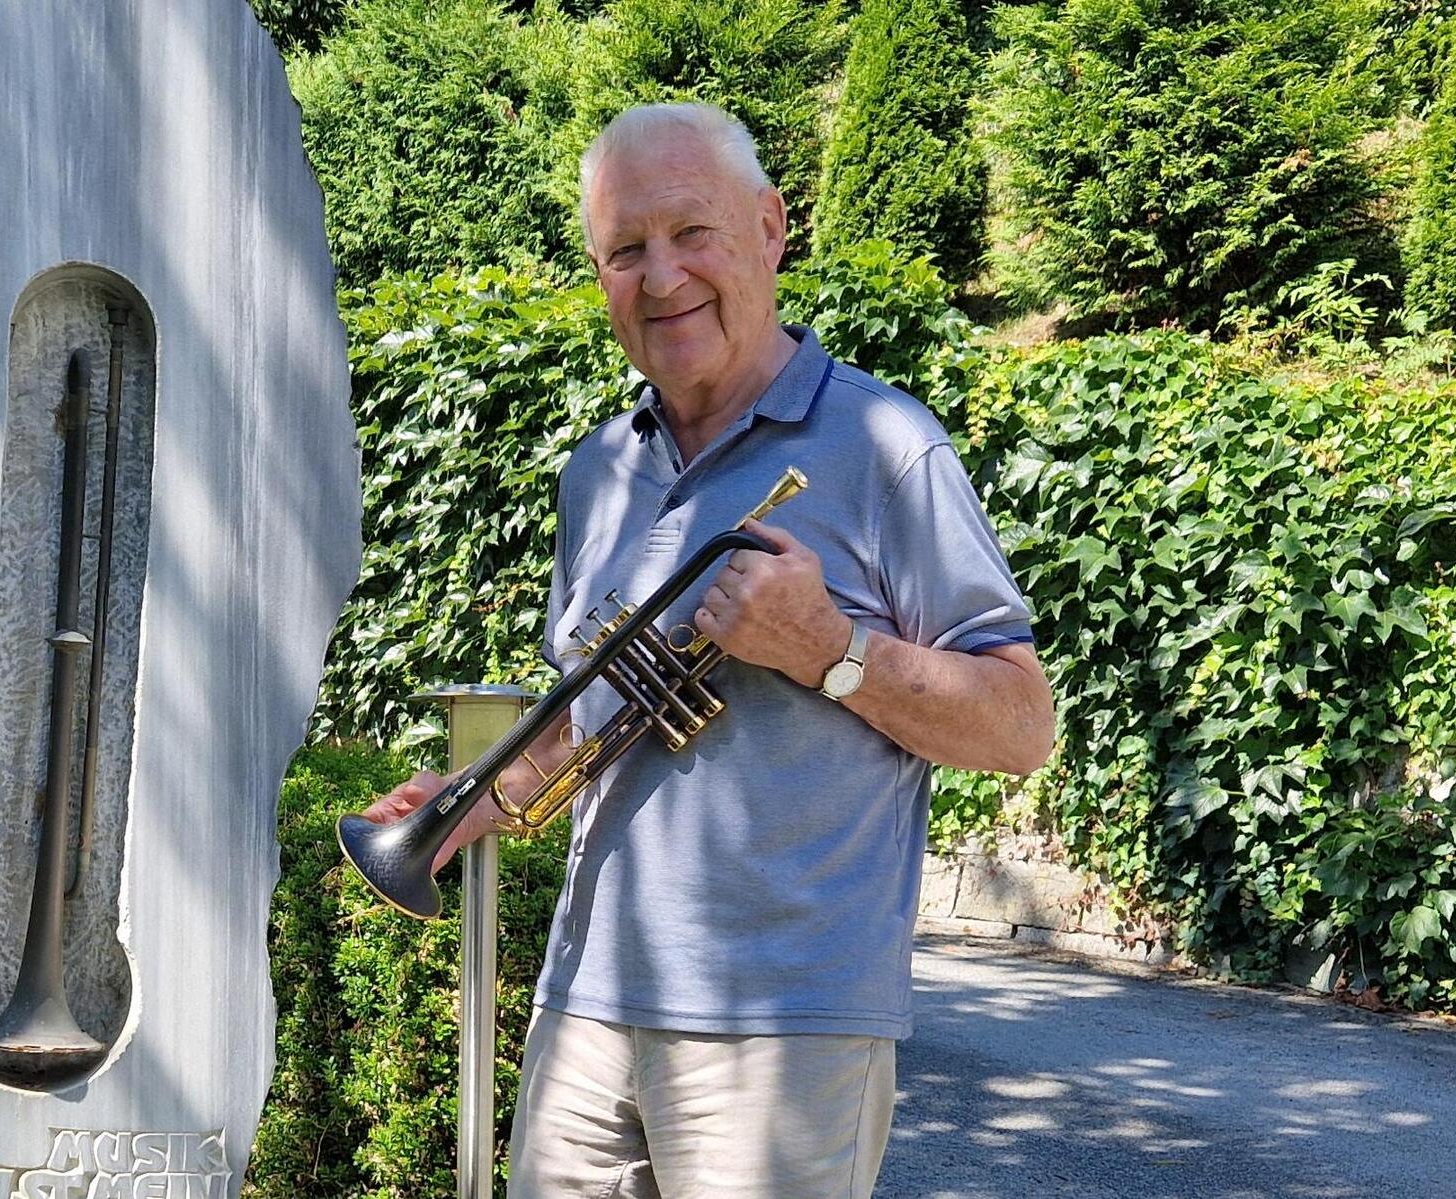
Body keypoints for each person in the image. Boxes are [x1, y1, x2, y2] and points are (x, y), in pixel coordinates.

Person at [361, 102, 1056, 1197]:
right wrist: (474, 797)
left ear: (772, 229)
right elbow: (600, 712)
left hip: (783, 1026)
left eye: (694, 232)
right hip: (586, 999)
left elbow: (1021, 725)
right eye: (625, 250)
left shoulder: (886, 444)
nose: (662, 274)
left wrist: (832, 649)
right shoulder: (596, 470)